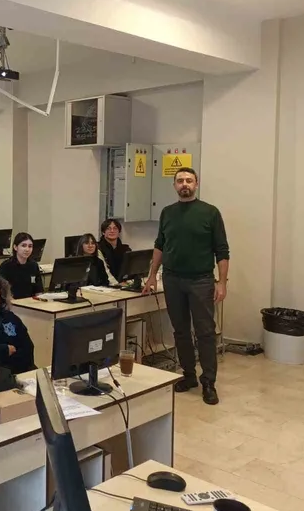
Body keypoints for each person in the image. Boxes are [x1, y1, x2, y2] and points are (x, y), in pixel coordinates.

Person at [142, 167, 229, 406]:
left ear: (196, 184)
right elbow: (160, 245)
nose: (184, 184)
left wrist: (222, 282)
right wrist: (152, 276)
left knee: (205, 332)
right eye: (180, 180)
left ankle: (208, 382)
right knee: (180, 331)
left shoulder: (210, 213)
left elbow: (222, 250)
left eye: (189, 180)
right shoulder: (167, 213)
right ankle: (188, 375)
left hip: (201, 280)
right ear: (174, 185)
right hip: (172, 280)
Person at [0, 232, 44, 299]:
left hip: (30, 303)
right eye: (23, 246)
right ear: (15, 247)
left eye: (30, 246)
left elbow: (38, 291)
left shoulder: (34, 265)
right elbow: (1, 290)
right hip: (12, 302)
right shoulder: (6, 266)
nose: (27, 249)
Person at [97, 218, 131, 282]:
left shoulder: (126, 249)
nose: (112, 231)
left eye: (115, 228)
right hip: (105, 283)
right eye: (108, 229)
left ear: (119, 232)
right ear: (103, 232)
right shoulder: (98, 249)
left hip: (124, 282)